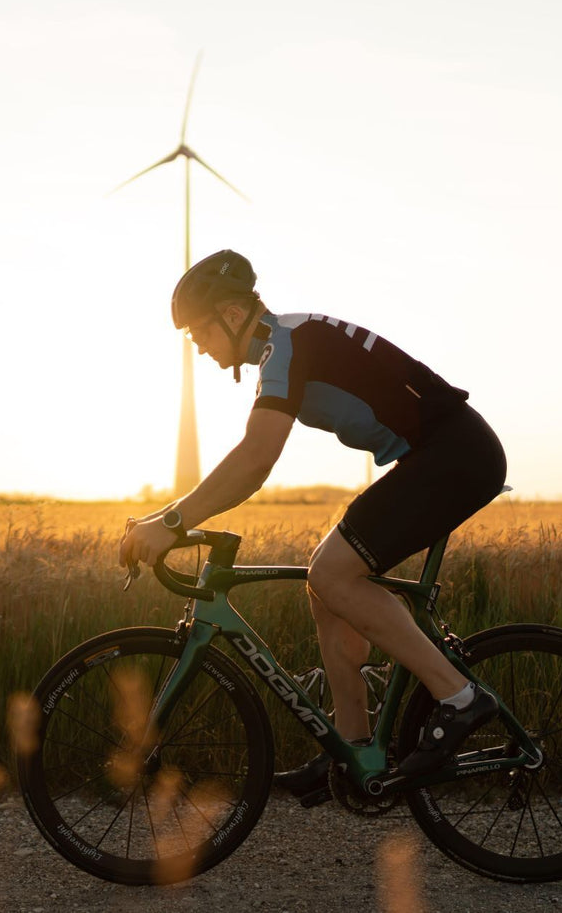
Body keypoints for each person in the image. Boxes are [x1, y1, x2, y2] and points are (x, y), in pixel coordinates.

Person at [118, 249, 508, 802]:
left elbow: (256, 459)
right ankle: (351, 750)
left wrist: (173, 519)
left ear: (232, 316)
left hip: (453, 455)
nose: (198, 348)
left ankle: (460, 698)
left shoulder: (284, 346)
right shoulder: (285, 342)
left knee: (333, 573)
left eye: (198, 332)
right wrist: (168, 517)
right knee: (326, 585)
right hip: (440, 453)